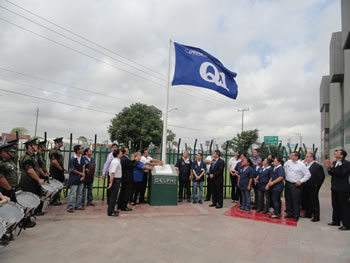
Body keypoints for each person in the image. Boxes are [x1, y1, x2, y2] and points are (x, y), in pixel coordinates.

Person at [19, 138, 44, 227]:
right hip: (27, 183)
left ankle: (27, 219)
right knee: (26, 203)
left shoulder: (32, 156)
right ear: (29, 146)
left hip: (32, 182)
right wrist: (38, 179)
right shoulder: (27, 157)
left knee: (31, 201)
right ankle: (24, 221)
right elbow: (30, 171)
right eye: (35, 145)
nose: (37, 146)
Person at [325, 149, 350, 230]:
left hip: (343, 188)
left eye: (338, 152)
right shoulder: (335, 163)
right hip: (334, 187)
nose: (335, 153)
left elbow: (342, 174)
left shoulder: (346, 163)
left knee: (344, 206)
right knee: (335, 205)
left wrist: (332, 167)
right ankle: (336, 221)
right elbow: (332, 174)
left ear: (342, 155)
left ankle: (346, 224)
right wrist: (329, 168)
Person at [284, 151, 311, 221]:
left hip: (296, 185)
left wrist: (301, 181)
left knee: (295, 201)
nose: (292, 156)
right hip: (288, 183)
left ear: (297, 157)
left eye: (294, 155)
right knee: (288, 199)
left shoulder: (301, 165)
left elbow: (308, 175)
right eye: (291, 155)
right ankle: (289, 214)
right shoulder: (288, 162)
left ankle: (296, 215)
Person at [303, 153, 325, 222]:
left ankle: (316, 216)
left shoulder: (317, 166)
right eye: (306, 157)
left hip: (313, 187)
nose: (306, 158)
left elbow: (321, 177)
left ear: (312, 158)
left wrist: (317, 186)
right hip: (305, 186)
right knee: (307, 200)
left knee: (314, 201)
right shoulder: (305, 165)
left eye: (307, 157)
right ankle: (308, 214)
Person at [66, 145, 85, 213]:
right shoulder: (73, 159)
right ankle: (70, 207)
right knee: (72, 193)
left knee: (79, 193)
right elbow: (73, 169)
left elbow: (83, 166)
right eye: (81, 148)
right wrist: (81, 174)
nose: (82, 149)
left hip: (80, 178)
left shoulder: (82, 158)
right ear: (77, 150)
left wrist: (83, 175)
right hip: (74, 178)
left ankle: (78, 205)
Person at [49, 137, 65, 205]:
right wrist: (60, 168)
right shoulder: (53, 151)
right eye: (60, 142)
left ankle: (56, 199)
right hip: (55, 170)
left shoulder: (58, 150)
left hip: (59, 170)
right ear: (57, 143)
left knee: (59, 185)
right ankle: (53, 200)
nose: (62, 143)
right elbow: (54, 161)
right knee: (55, 185)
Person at [107, 149, 122, 217]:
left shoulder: (117, 160)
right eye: (120, 152)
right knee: (113, 196)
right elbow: (112, 173)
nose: (122, 153)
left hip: (117, 179)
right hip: (115, 180)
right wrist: (111, 183)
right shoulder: (115, 162)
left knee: (114, 196)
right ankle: (110, 211)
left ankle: (112, 209)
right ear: (118, 154)